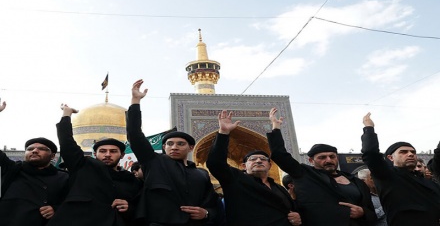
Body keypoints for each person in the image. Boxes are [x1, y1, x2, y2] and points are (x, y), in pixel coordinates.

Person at [126, 79, 220, 226]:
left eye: (180, 144)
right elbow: (134, 135)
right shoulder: (154, 162)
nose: (174, 147)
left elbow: (212, 204)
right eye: (170, 144)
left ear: (190, 148)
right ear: (164, 147)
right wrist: (135, 101)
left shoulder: (201, 174)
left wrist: (206, 213)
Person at [268, 108, 376, 226]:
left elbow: (372, 212)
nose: (328, 160)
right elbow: (279, 155)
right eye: (322, 157)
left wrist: (363, 212)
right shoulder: (304, 174)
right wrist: (276, 127)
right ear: (311, 160)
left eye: (332, 156)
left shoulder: (356, 182)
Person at [47, 104, 142, 226]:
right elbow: (66, 142)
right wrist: (66, 114)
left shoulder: (131, 180)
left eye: (113, 151)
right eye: (103, 151)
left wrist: (128, 208)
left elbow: (140, 208)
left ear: (122, 155)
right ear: (95, 154)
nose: (108, 155)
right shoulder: (84, 167)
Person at [206, 110, 301, 226]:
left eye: (263, 159)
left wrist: (297, 216)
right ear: (243, 166)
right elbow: (216, 163)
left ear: (270, 166)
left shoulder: (279, 188)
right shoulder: (235, 180)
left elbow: (291, 210)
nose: (258, 161)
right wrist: (223, 133)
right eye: (253, 159)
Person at [362, 112, 440, 226]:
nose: (410, 154)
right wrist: (369, 128)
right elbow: (370, 154)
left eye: (413, 152)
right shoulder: (388, 177)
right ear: (390, 157)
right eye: (403, 152)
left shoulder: (428, 183)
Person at [0, 101, 69, 226]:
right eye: (30, 149)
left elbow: (75, 203)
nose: (35, 151)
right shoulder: (11, 170)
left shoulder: (64, 177)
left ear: (53, 156)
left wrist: (57, 209)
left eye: (42, 149)